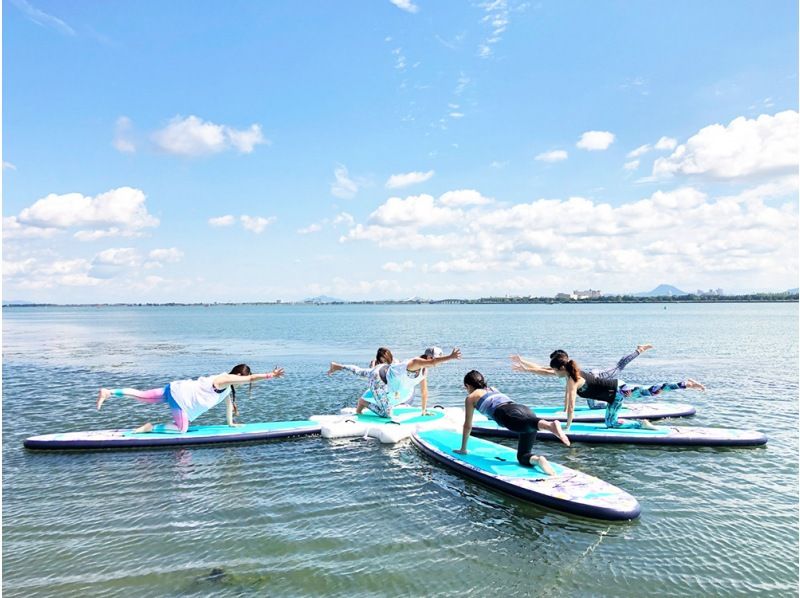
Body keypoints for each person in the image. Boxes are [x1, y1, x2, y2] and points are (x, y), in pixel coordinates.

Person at [97, 364, 285, 433]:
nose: (244, 382)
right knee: (182, 430)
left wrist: (231, 424)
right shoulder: (223, 379)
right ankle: (150, 428)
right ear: (237, 375)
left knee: (142, 395)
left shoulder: (227, 389)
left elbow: (228, 407)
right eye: (242, 379)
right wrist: (270, 375)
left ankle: (109, 392)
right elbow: (250, 378)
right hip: (180, 399)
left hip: (175, 389)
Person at [454, 370, 570, 476]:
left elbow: (468, 425)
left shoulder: (471, 397)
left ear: (468, 385)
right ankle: (538, 460)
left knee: (529, 424)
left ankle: (550, 425)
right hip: (524, 410)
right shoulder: (493, 389)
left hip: (506, 414)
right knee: (522, 455)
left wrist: (463, 448)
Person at [548, 354, 704, 430]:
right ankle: (685, 384)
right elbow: (568, 402)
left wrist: (568, 427)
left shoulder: (572, 380)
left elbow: (571, 406)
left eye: (554, 370)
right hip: (615, 392)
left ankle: (641, 424)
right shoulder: (574, 373)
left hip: (617, 392)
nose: (553, 373)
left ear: (561, 369)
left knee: (649, 392)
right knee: (650, 392)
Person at [327, 346, 461, 418]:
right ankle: (363, 402)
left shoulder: (424, 371)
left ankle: (337, 366)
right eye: (434, 358)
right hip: (379, 378)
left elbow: (424, 391)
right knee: (386, 414)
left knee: (360, 372)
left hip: (385, 373)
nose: (436, 361)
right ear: (427, 357)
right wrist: (450, 357)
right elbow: (433, 362)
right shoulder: (415, 362)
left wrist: (424, 410)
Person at [511, 344, 654, 408]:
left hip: (598, 377)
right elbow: (541, 368)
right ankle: (614, 404)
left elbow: (543, 372)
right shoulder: (560, 368)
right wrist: (522, 361)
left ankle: (639, 350)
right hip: (587, 387)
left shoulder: (565, 370)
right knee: (593, 407)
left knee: (619, 366)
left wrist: (524, 369)